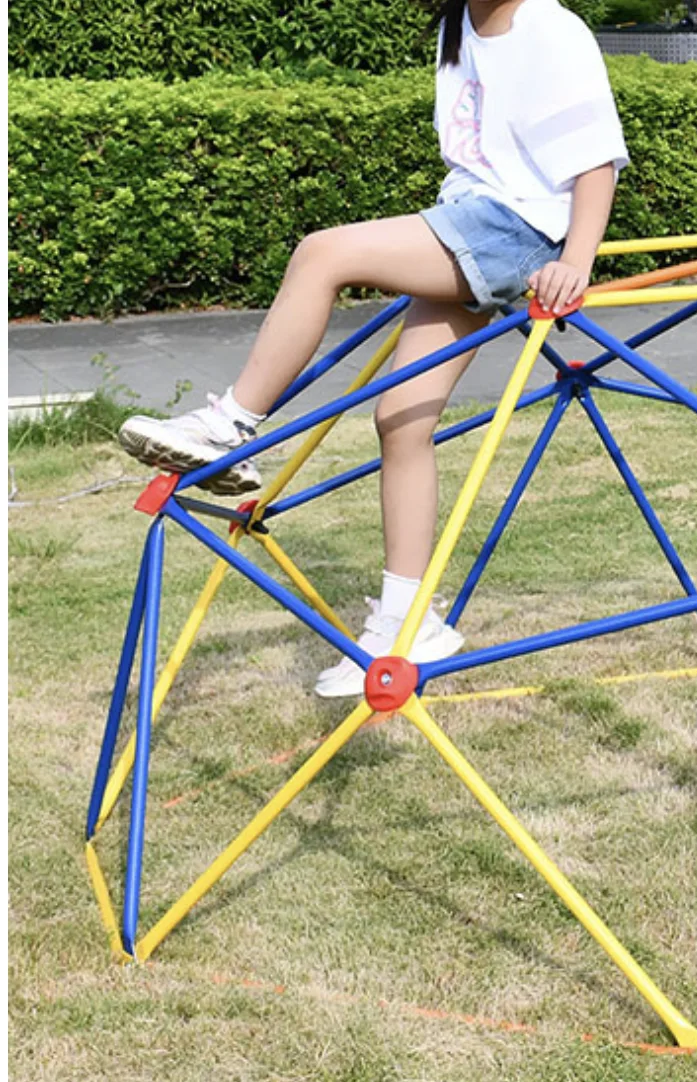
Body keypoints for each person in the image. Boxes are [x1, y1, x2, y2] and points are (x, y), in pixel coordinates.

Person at [116, 0, 628, 698]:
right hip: (471, 217)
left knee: (322, 254)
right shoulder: (462, 26)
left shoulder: (550, 27)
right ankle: (409, 618)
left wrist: (578, 259)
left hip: (515, 230)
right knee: (401, 418)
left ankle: (230, 422)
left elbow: (596, 160)